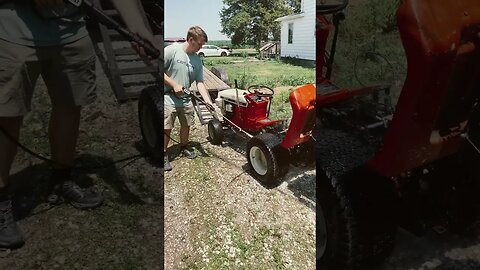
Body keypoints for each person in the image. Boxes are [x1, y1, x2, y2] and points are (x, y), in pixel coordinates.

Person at [0, 0, 158, 248]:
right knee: (7, 115)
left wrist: (137, 26)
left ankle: (61, 178)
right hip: (12, 32)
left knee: (70, 105)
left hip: (72, 32)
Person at [163, 26, 215, 171]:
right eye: (199, 44)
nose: (201, 47)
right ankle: (164, 154)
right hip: (168, 97)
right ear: (191, 39)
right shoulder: (171, 51)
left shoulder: (197, 60)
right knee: (167, 127)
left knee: (186, 125)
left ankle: (184, 146)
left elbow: (200, 83)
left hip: (185, 99)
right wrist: (173, 84)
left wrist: (208, 101)